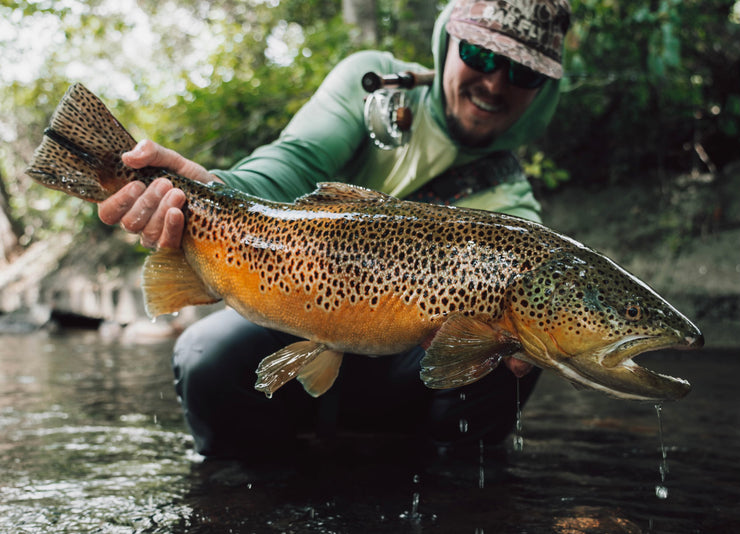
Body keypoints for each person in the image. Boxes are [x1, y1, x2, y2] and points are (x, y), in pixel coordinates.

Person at [98, 0, 571, 460]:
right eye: (480, 54)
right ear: (448, 40)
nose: (493, 82)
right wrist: (215, 189)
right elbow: (294, 160)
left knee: (515, 348)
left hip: (403, 380)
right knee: (205, 355)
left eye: (522, 72)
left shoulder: (516, 211)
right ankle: (247, 497)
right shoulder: (375, 87)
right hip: (297, 311)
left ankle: (452, 493)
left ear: (544, 88)